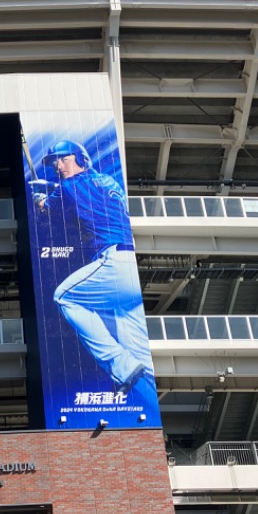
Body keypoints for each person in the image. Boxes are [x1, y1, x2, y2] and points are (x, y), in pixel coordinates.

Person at [33, 139, 156, 405]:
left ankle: (118, 363)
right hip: (131, 265)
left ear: (77, 158)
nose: (57, 165)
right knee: (138, 354)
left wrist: (39, 198)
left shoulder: (68, 186)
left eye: (62, 159)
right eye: (56, 161)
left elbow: (47, 206)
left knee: (64, 297)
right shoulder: (108, 181)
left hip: (114, 262)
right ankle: (144, 393)